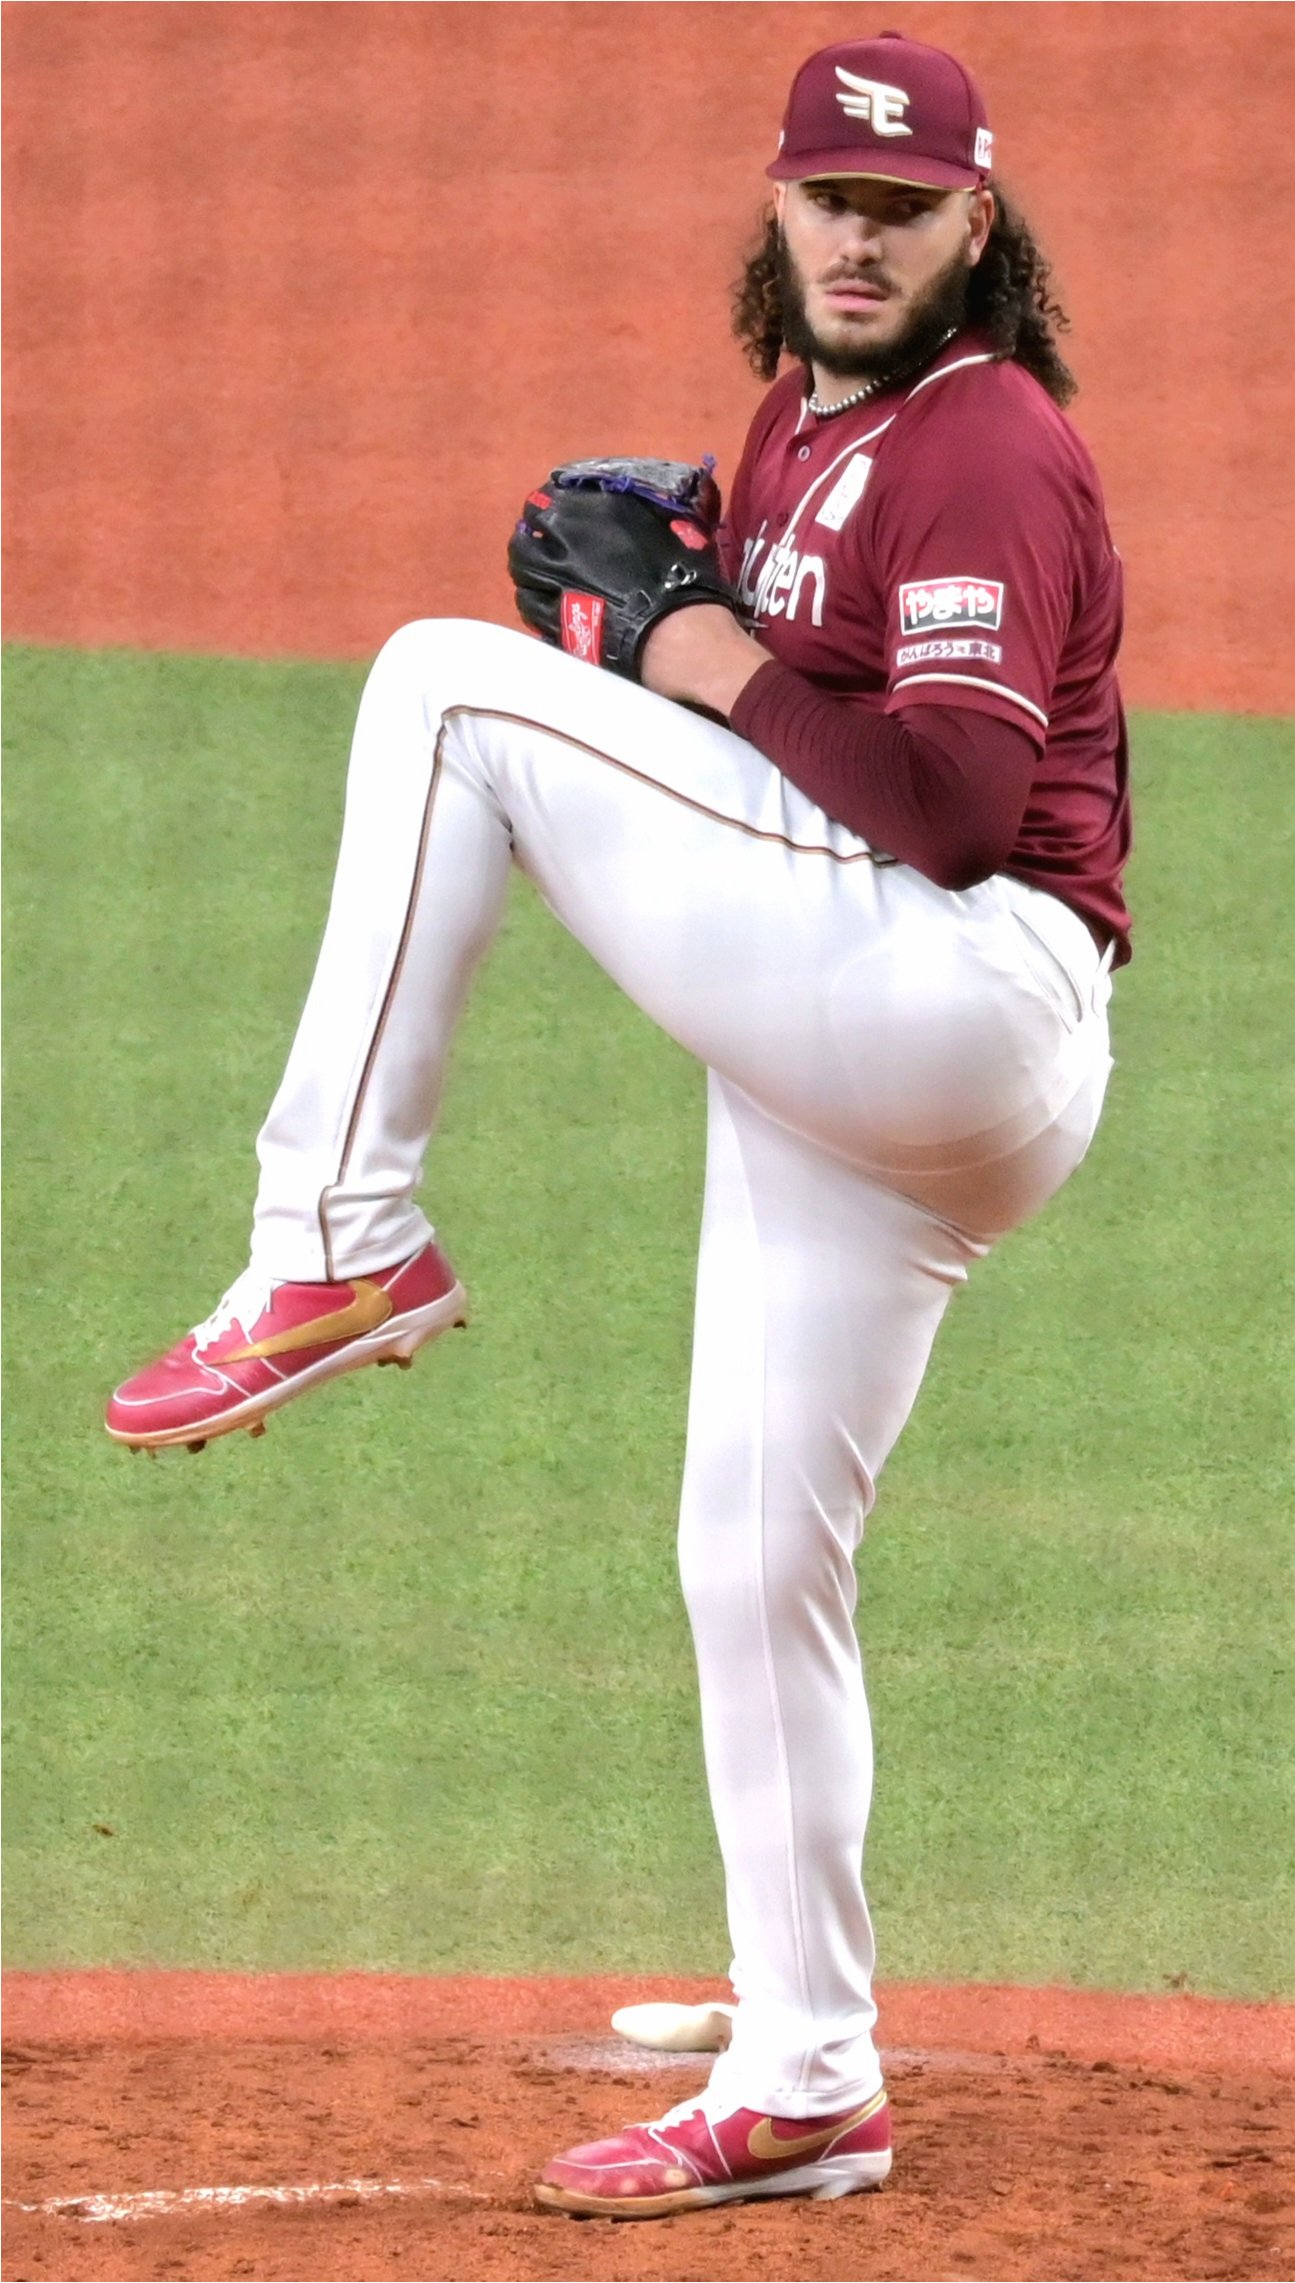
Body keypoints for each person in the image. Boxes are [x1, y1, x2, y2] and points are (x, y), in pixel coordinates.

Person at [107, 31, 1132, 2218]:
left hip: (960, 989)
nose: (859, 238)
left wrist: (679, 645)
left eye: (905, 208)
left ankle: (335, 1240)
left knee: (439, 687)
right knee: (748, 1558)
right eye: (829, 199)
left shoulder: (986, 446)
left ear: (975, 223)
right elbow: (780, 723)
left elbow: (954, 802)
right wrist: (679, 613)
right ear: (780, 205)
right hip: (858, 1047)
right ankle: (809, 2074)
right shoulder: (796, 428)